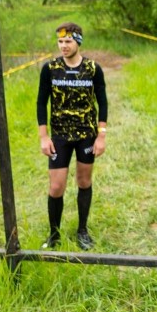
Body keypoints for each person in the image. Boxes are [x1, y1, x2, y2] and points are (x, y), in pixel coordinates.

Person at [36, 22, 107, 251]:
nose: (63, 45)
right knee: (56, 187)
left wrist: (101, 135)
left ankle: (82, 231)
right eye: (60, 41)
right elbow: (41, 102)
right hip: (59, 136)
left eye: (68, 41)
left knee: (84, 181)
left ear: (78, 41)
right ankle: (54, 234)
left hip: (86, 134)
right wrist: (43, 137)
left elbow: (102, 102)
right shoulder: (50, 68)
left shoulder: (93, 69)